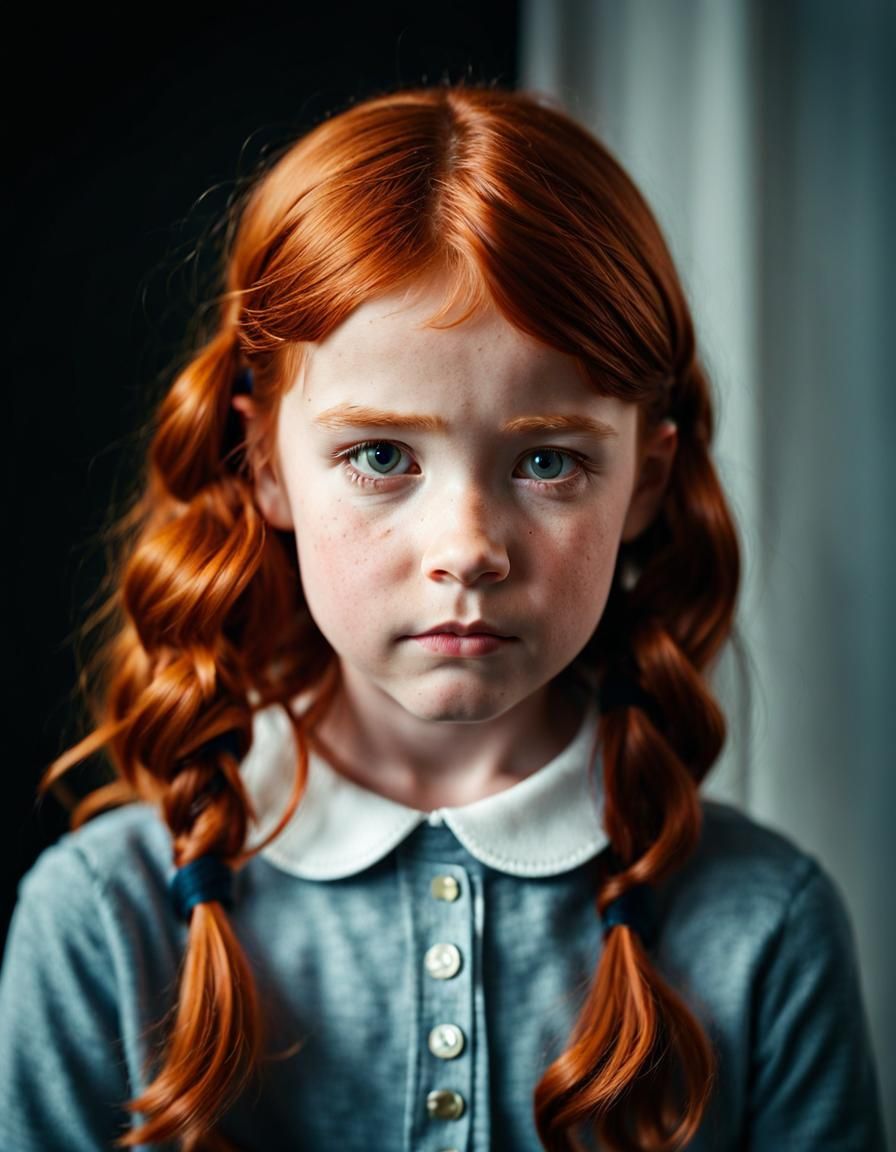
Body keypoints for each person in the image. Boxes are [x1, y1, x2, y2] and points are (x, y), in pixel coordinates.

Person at [0, 82, 887, 1152]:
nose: (467, 548)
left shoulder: (765, 926)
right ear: (263, 465)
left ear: (645, 483)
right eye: (380, 457)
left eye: (547, 461)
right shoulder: (105, 919)